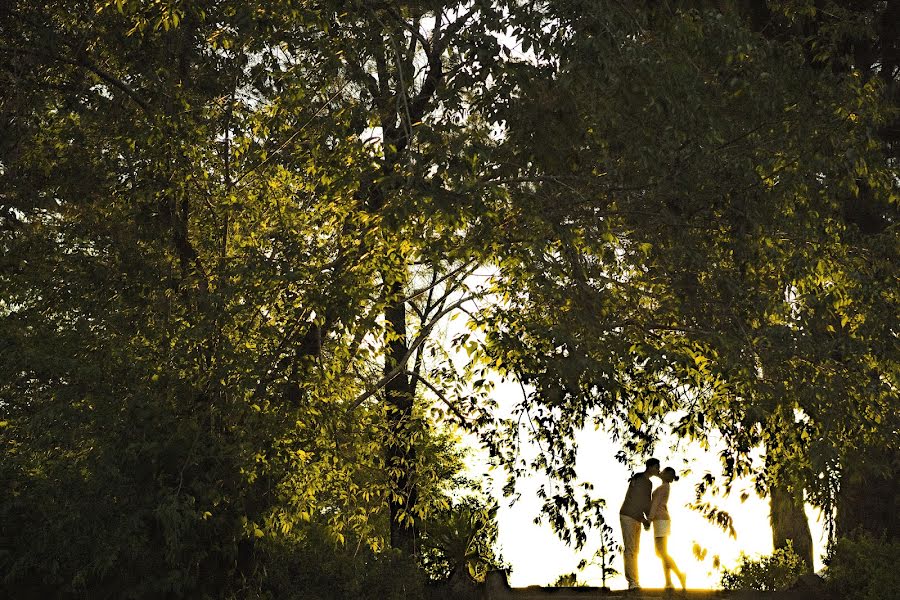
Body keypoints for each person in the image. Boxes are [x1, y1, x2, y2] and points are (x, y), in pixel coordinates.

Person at [619, 458, 660, 591]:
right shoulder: (643, 481)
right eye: (657, 467)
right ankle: (632, 582)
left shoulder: (644, 480)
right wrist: (646, 519)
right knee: (631, 549)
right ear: (651, 467)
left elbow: (644, 502)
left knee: (634, 550)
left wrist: (646, 519)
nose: (658, 470)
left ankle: (634, 581)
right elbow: (640, 501)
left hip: (635, 517)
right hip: (629, 516)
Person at [649, 466, 687, 591]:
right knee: (661, 552)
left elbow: (655, 504)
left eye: (664, 472)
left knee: (662, 552)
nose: (661, 472)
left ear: (668, 475)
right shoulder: (664, 486)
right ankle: (669, 582)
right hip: (661, 520)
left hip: (660, 519)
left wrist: (649, 518)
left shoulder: (663, 487)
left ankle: (679, 576)